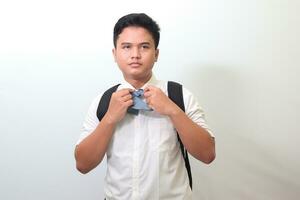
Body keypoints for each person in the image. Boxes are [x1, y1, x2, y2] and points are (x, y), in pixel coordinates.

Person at [75, 13, 215, 200]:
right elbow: (83, 165)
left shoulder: (180, 95)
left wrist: (172, 110)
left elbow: (207, 154)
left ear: (156, 54)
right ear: (115, 54)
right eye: (126, 47)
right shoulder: (103, 101)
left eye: (144, 47)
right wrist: (109, 118)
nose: (135, 54)